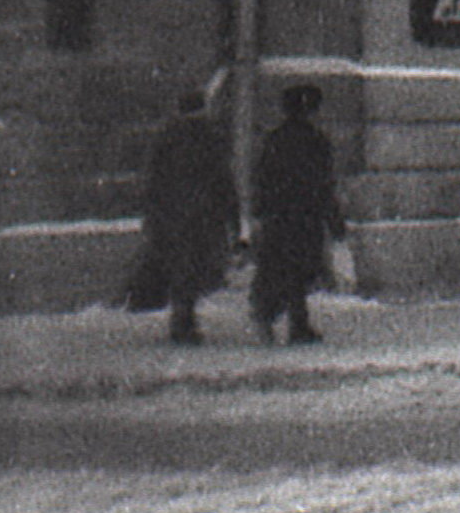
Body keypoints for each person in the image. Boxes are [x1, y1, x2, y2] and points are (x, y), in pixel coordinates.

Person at [129, 87, 237, 344]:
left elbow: (153, 179)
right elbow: (224, 179)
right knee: (196, 267)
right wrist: (232, 215)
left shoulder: (166, 137)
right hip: (205, 214)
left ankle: (181, 319)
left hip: (172, 214)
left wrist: (152, 214)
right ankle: (185, 322)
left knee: (179, 266)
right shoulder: (211, 137)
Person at [250, 82, 345, 345]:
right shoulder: (317, 141)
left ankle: (283, 318)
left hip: (280, 216)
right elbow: (325, 184)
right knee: (301, 270)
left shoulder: (275, 139)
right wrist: (335, 221)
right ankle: (292, 322)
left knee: (281, 268)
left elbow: (262, 178)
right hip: (306, 217)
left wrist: (261, 211)